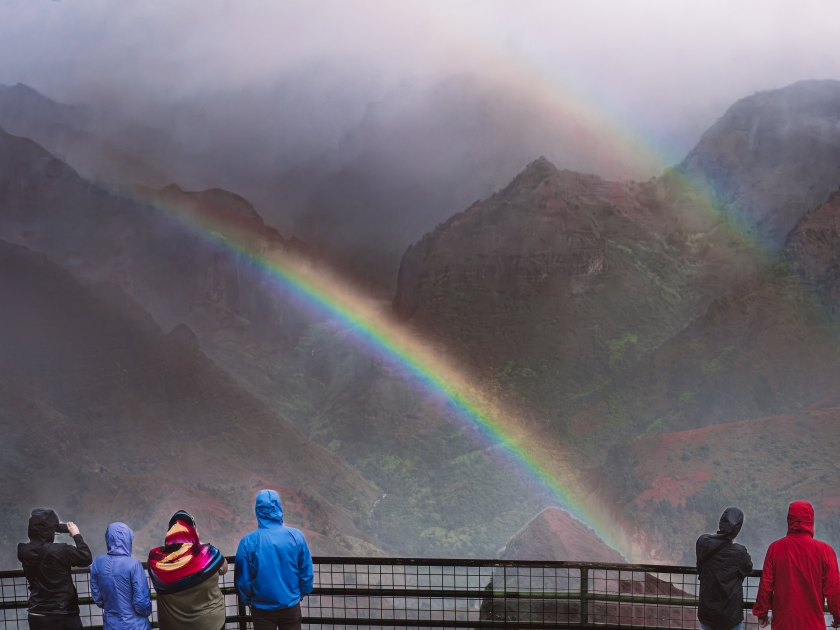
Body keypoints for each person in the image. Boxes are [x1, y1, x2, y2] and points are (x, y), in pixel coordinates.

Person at [753, 500, 840, 629]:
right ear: (811, 520)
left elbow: (765, 586)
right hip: (813, 625)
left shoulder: (775, 548)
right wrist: (838, 616)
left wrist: (762, 613)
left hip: (782, 624)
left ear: (789, 519)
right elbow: (834, 590)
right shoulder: (825, 551)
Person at [235, 489, 314, 630]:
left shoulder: (247, 542)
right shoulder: (296, 536)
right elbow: (306, 571)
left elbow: (243, 579)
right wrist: (302, 593)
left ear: (257, 510)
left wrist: (247, 599)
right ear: (279, 507)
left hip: (261, 608)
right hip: (290, 604)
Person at [148, 510, 228, 630]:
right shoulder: (207, 555)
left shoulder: (156, 561)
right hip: (210, 624)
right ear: (192, 531)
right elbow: (224, 568)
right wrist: (198, 544)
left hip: (172, 626)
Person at [17, 508, 92, 630]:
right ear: (52, 529)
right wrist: (76, 535)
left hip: (37, 614)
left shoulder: (23, 550)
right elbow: (86, 558)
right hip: (65, 615)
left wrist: (49, 533)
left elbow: (38, 547)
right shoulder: (62, 550)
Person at [695, 506, 753, 630]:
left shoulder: (703, 542)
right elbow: (747, 568)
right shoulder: (739, 552)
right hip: (730, 616)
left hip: (707, 613)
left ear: (721, 522)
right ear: (738, 528)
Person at [90, 522, 152, 630]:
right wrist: (147, 611)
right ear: (127, 540)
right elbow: (141, 603)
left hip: (110, 624)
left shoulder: (98, 562)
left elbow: (98, 599)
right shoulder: (134, 564)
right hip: (135, 625)